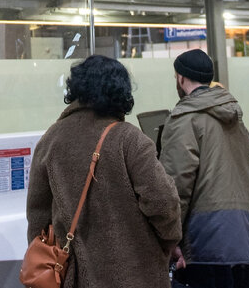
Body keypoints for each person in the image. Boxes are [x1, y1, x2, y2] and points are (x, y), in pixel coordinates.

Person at [27, 55, 182, 288]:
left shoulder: (50, 140)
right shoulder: (129, 139)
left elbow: (37, 219)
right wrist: (168, 241)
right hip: (135, 273)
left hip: (74, 276)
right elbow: (163, 202)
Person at [159, 50, 249, 286]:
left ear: (181, 78)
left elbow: (176, 184)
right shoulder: (233, 114)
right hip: (237, 228)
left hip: (202, 232)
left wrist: (169, 236)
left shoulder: (184, 118)